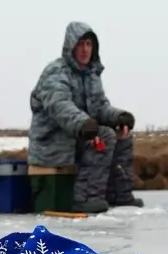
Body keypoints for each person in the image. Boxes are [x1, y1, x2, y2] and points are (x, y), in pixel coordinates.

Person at [27, 21, 144, 214]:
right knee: (104, 135)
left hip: (79, 137)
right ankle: (84, 198)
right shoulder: (55, 72)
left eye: (89, 44)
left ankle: (120, 194)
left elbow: (100, 107)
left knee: (122, 136)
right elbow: (60, 106)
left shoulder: (91, 75)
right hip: (54, 143)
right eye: (80, 44)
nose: (85, 49)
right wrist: (84, 125)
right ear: (71, 46)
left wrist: (118, 118)